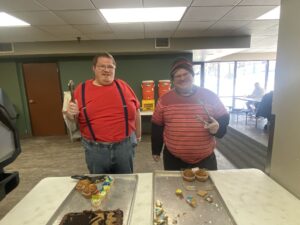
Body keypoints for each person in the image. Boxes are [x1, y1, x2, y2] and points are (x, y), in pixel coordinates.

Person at [65, 52, 141, 174]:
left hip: (124, 147)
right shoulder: (81, 89)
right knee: (99, 186)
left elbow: (137, 110)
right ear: (94, 68)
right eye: (102, 66)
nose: (106, 70)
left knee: (126, 184)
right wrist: (70, 114)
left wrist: (138, 136)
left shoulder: (123, 86)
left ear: (115, 69)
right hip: (95, 150)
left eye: (110, 66)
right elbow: (72, 119)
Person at [151, 58, 229, 170]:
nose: (182, 78)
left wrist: (217, 129)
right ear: (173, 80)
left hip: (205, 160)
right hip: (173, 160)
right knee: (174, 188)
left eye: (186, 74)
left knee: (206, 187)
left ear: (192, 75)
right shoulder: (164, 100)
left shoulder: (210, 96)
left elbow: (224, 118)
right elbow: (157, 125)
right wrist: (156, 150)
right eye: (177, 76)